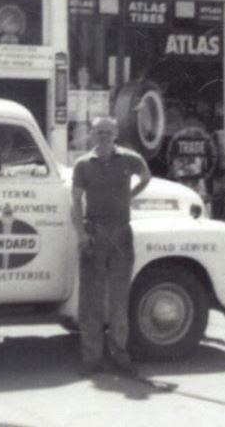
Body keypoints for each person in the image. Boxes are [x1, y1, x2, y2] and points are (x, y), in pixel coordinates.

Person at [71, 116, 151, 376]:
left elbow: (146, 176)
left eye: (108, 131)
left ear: (116, 133)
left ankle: (120, 356)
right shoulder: (83, 164)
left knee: (119, 297)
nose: (104, 136)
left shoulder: (129, 159)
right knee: (90, 300)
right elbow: (75, 202)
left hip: (121, 234)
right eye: (99, 132)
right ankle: (92, 359)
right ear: (92, 135)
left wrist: (130, 196)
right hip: (95, 233)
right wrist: (81, 234)